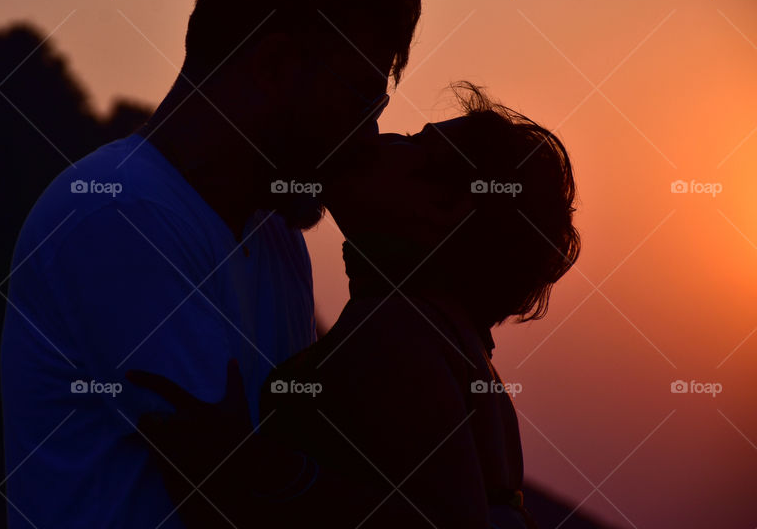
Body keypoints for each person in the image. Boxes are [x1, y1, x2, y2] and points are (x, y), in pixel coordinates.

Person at [0, 0, 421, 528]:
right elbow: (240, 495)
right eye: (360, 98)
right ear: (274, 65)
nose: (370, 135)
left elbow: (291, 461)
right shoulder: (121, 212)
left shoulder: (274, 240)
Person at [129, 82, 580, 528]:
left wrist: (239, 463)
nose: (377, 138)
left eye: (414, 144)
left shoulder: (396, 331)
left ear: (447, 208)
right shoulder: (465, 359)